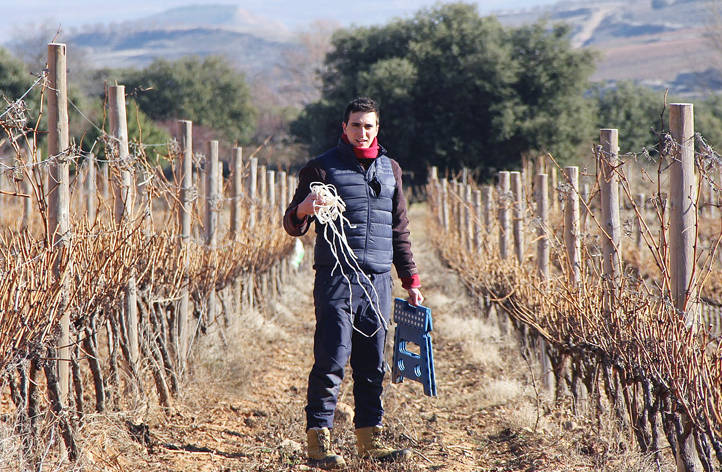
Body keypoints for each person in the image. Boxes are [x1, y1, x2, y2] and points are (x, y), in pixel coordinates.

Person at [283, 97, 423, 469]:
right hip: (336, 278)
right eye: (356, 125)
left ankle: (370, 439)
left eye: (369, 126)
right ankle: (318, 442)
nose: (363, 132)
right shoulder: (321, 168)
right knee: (331, 358)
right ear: (344, 128)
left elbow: (399, 230)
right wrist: (303, 209)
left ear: (377, 129)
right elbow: (292, 224)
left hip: (378, 281)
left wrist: (410, 279)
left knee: (372, 363)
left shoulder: (391, 170)